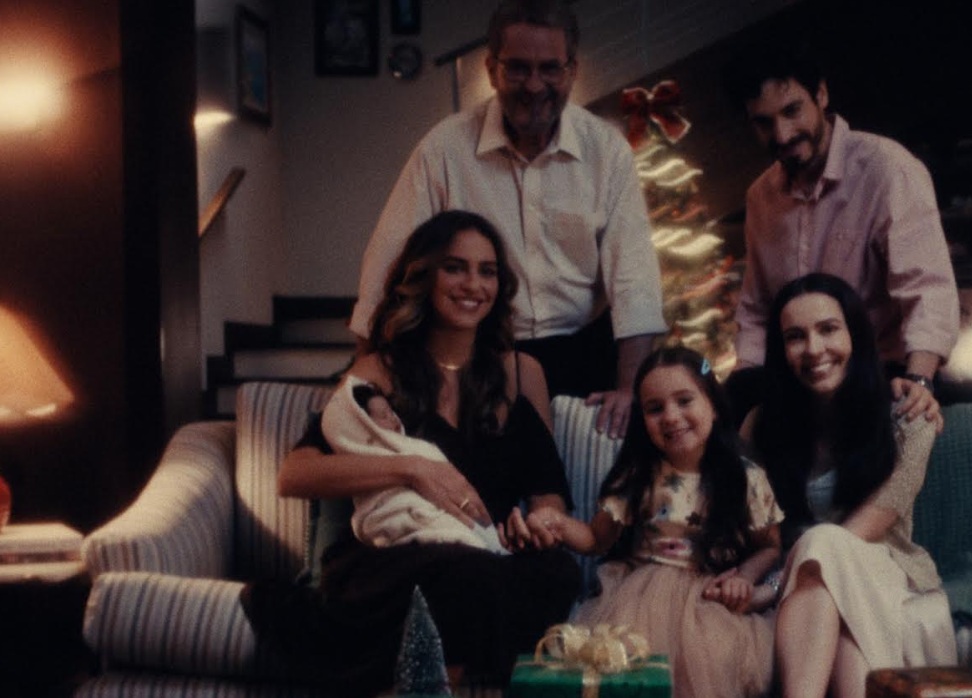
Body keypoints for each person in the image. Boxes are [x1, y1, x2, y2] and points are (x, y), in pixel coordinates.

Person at [243, 210, 582, 695]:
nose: (473, 284)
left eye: (487, 271)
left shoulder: (522, 372)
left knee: (557, 573)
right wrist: (411, 469)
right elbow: (295, 474)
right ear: (424, 277)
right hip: (394, 559)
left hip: (488, 555)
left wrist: (541, 525)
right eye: (455, 267)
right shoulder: (379, 370)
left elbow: (548, 490)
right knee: (465, 575)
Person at [350, 0, 666, 438]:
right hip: (481, 353)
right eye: (517, 68)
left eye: (549, 69)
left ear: (572, 70)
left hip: (584, 349)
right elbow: (387, 264)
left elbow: (634, 278)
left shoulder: (607, 151)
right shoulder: (444, 149)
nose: (534, 86)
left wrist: (630, 387)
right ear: (491, 69)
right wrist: (362, 379)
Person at [721, 41, 959, 429]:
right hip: (801, 377)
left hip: (880, 372)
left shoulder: (888, 169)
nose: (782, 135)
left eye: (792, 111)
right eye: (763, 122)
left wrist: (919, 380)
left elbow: (927, 288)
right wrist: (744, 386)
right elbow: (757, 309)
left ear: (821, 95)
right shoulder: (760, 197)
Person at [743, 273, 958, 698]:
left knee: (823, 543)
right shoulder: (761, 424)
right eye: (795, 337)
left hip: (883, 566)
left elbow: (870, 524)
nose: (814, 349)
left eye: (828, 329)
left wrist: (775, 585)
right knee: (831, 595)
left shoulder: (908, 417)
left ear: (855, 335)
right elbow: (749, 520)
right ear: (781, 351)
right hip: (808, 583)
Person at [527, 345, 783, 698]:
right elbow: (595, 539)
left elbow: (770, 546)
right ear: (642, 419)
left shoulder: (745, 477)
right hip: (641, 595)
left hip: (711, 596)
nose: (671, 417)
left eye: (684, 401)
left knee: (714, 657)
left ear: (712, 403)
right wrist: (555, 522)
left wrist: (745, 577)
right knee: (628, 660)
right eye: (655, 408)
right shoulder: (638, 476)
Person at [320, 376, 506, 552]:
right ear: (366, 427)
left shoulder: (413, 446)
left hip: (458, 520)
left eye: (391, 412)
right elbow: (381, 504)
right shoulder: (369, 464)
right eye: (384, 415)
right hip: (409, 526)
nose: (392, 418)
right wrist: (410, 473)